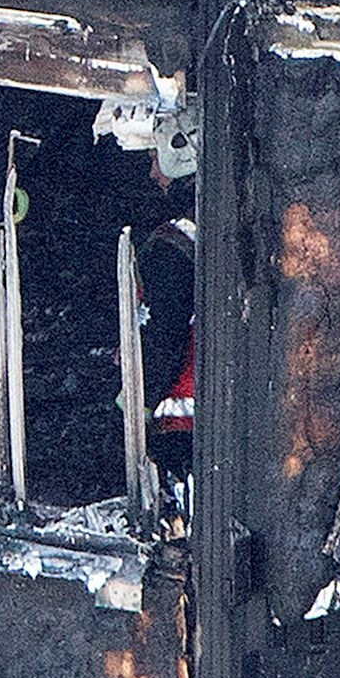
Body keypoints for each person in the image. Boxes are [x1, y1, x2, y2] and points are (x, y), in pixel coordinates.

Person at [137, 108, 198, 484]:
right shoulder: (218, 227)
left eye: (154, 159)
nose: (152, 173)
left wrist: (139, 397)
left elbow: (165, 335)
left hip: (180, 418)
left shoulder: (169, 248)